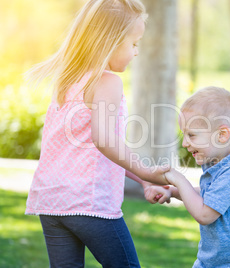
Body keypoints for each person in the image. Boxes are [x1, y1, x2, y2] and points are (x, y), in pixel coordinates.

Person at [24, 1, 169, 267]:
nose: (136, 52)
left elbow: (100, 148)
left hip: (51, 201)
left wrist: (144, 181)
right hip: (89, 202)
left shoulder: (68, 80)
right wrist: (149, 173)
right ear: (110, 42)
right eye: (134, 44)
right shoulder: (106, 82)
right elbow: (105, 141)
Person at [145, 87, 230, 267]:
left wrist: (178, 179)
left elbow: (205, 214)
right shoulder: (223, 164)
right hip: (215, 262)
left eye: (191, 135)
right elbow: (212, 194)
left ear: (222, 135)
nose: (184, 143)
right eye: (184, 135)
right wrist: (174, 192)